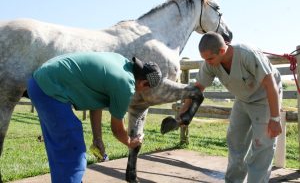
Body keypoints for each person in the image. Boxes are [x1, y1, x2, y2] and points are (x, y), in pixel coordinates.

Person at [26, 51, 162, 183]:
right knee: (73, 150)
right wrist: (130, 142)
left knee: (63, 152)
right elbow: (117, 130)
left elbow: (96, 102)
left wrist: (97, 138)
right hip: (49, 88)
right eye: (146, 88)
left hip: (40, 83)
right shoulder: (125, 84)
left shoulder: (121, 62)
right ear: (144, 83)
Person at [179, 32, 282, 183]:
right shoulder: (210, 63)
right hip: (243, 99)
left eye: (209, 58)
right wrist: (184, 109)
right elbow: (198, 86)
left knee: (262, 146)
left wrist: (275, 118)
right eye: (204, 59)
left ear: (222, 50)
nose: (207, 62)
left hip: (265, 98)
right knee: (235, 140)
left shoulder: (247, 54)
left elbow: (270, 83)